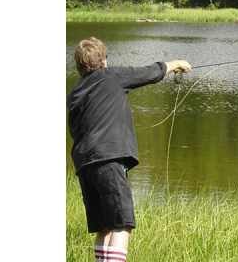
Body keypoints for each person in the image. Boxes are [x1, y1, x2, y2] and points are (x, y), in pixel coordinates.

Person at [67, 36, 191, 262]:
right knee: (122, 224)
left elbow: (74, 129)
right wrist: (177, 63)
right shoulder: (113, 76)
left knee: (103, 227)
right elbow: (149, 73)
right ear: (103, 60)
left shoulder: (74, 92)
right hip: (109, 160)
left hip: (84, 165)